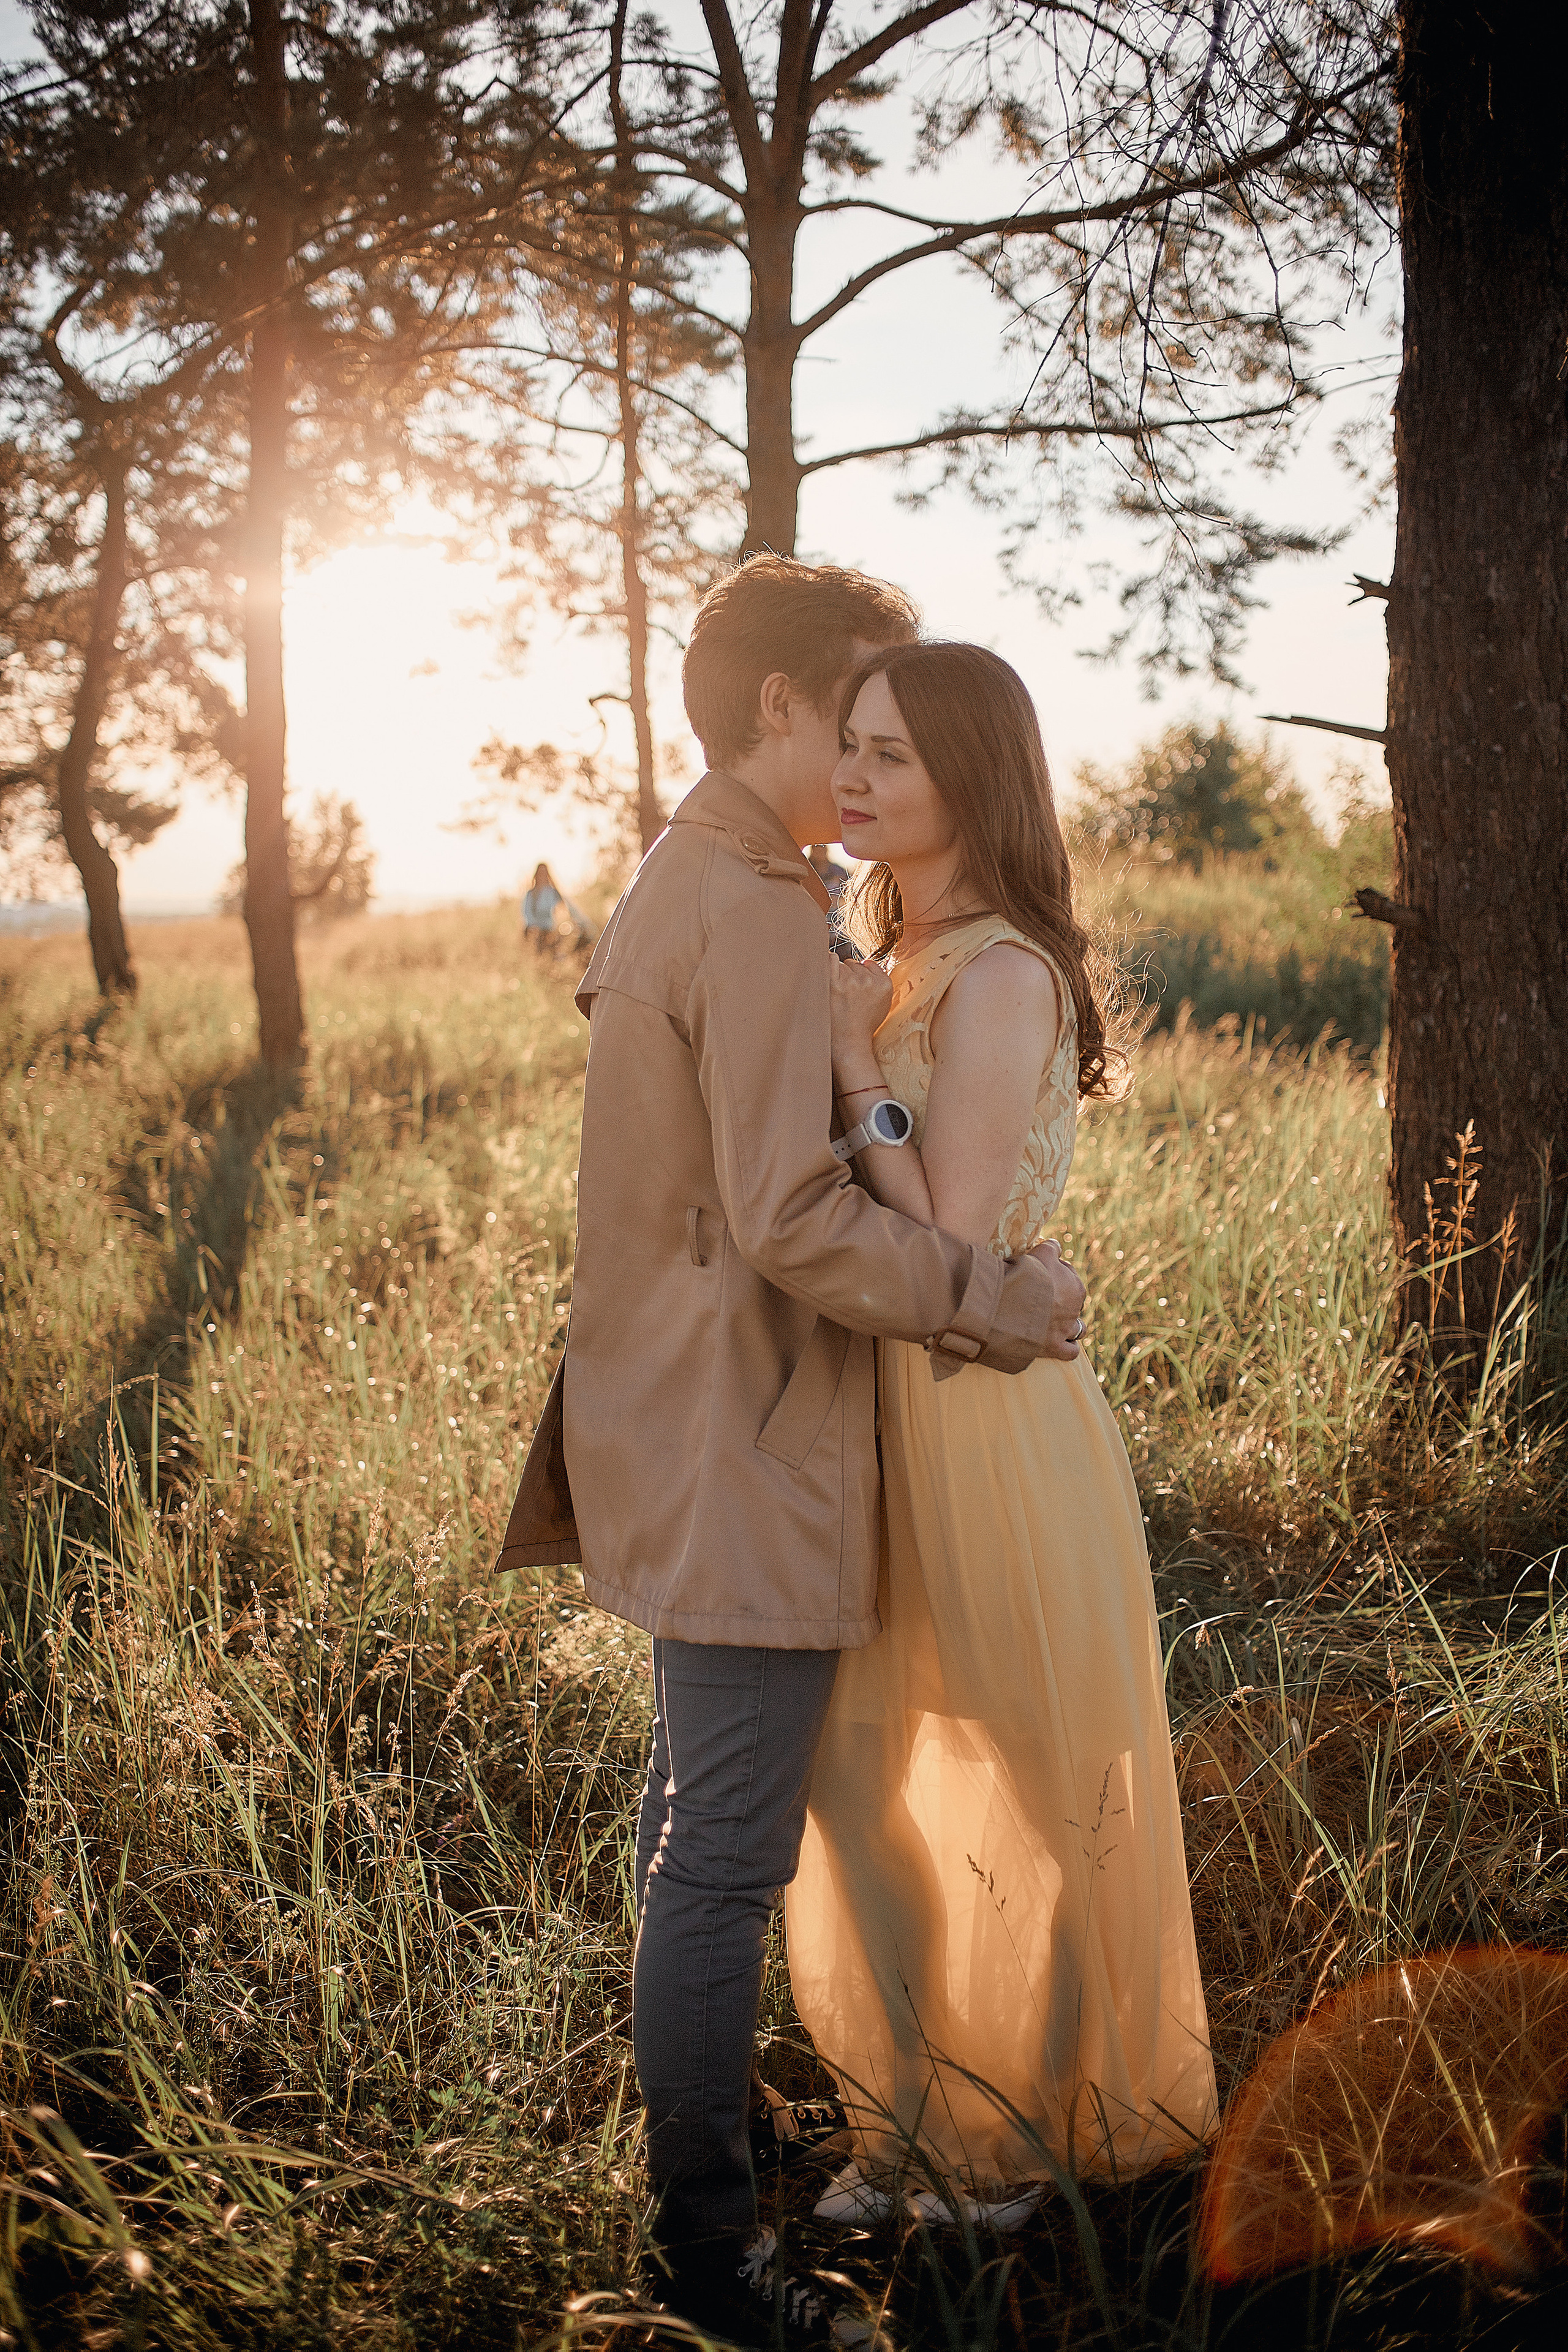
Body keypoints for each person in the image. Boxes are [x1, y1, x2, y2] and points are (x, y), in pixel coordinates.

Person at [494, 560, 1088, 2343]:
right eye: (853, 716)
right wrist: (998, 1302)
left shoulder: (724, 881)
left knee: (709, 1823)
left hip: (720, 1417)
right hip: (747, 1430)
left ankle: (828, 2142)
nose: (863, 759)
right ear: (778, 712)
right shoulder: (752, 910)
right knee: (724, 1849)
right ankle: (708, 2258)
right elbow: (786, 1216)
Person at [785, 642, 1217, 2230]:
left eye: (891, 753)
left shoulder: (1004, 969)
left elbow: (960, 1236)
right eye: (851, 743)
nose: (856, 775)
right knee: (853, 1778)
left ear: (971, 775)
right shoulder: (873, 940)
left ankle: (1018, 2151)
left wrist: (849, 1064)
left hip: (985, 1414)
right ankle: (907, 2124)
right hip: (872, 1410)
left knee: (1043, 1788)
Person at [521, 861, 589, 958]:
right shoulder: (531, 894)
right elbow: (527, 912)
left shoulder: (552, 892)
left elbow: (568, 907)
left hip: (549, 930)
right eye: (540, 873)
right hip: (535, 931)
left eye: (544, 873)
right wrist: (533, 927)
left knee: (552, 955)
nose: (542, 875)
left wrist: (581, 921)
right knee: (537, 956)